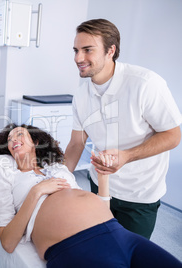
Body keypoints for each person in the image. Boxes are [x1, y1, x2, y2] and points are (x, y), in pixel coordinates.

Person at [0, 123, 182, 267]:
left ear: (35, 141)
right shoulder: (7, 176)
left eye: (19, 135)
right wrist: (36, 192)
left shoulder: (59, 170)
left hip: (119, 233)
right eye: (9, 140)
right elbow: (8, 242)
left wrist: (103, 177)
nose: (13, 140)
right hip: (74, 246)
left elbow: (102, 210)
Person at [65, 18, 182, 239]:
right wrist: (59, 177)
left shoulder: (145, 84)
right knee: (99, 246)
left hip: (139, 195)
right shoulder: (81, 95)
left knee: (127, 253)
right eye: (76, 50)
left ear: (111, 50)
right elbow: (76, 143)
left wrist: (127, 156)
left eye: (87, 50)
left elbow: (173, 135)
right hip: (99, 185)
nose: (78, 58)